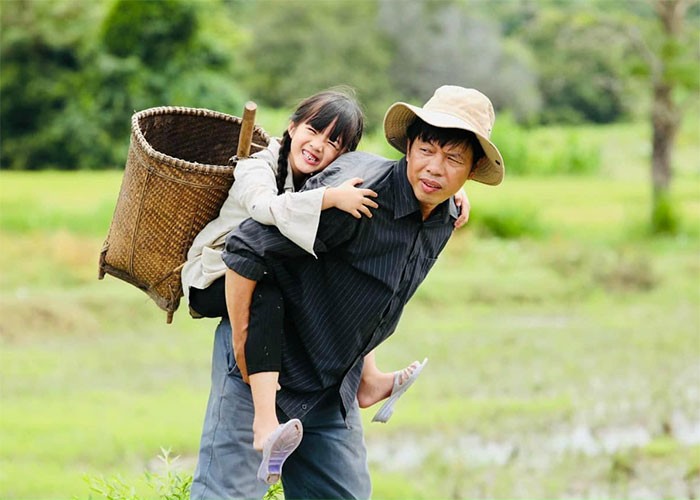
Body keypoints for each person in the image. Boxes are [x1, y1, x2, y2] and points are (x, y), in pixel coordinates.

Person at [189, 85, 504, 499]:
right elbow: (245, 246)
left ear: (472, 169)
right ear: (409, 148)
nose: (434, 168)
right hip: (264, 364)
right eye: (427, 150)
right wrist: (244, 341)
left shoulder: (445, 217)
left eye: (453, 159)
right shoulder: (359, 200)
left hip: (332, 380)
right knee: (226, 495)